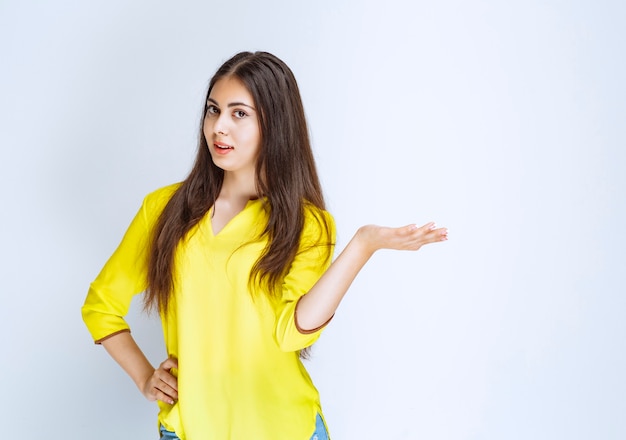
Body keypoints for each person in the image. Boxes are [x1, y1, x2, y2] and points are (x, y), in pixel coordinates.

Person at [81, 51, 448, 440]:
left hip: (284, 428)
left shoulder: (306, 225)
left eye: (239, 114)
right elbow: (101, 306)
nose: (219, 127)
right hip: (189, 428)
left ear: (275, 125)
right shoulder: (163, 210)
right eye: (213, 110)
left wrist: (363, 245)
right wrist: (144, 378)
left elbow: (293, 333)